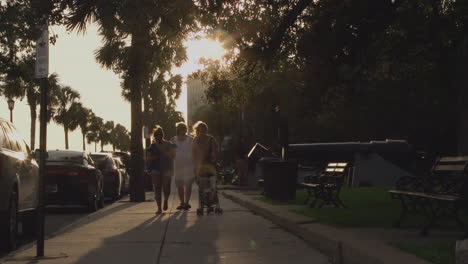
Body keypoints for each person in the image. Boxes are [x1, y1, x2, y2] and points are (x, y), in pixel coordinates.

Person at [146, 125, 177, 214]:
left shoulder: (169, 144)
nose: (157, 138)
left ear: (162, 136)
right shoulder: (152, 146)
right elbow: (148, 158)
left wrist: (165, 152)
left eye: (159, 136)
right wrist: (155, 157)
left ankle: (166, 199)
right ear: (154, 137)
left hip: (167, 168)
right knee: (157, 188)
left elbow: (173, 156)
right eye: (156, 137)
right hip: (155, 169)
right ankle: (159, 208)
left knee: (166, 187)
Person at [192, 121, 218, 200]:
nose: (202, 132)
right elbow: (193, 154)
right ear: (197, 131)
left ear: (206, 130)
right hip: (200, 166)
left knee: (212, 184)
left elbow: (215, 150)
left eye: (204, 130)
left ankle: (211, 198)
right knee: (202, 185)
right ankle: (205, 200)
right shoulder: (195, 140)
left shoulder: (211, 139)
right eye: (200, 130)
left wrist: (213, 156)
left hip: (210, 165)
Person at [171, 122, 195, 210]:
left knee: (188, 185)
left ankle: (187, 202)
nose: (182, 130)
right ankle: (182, 202)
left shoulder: (191, 139)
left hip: (189, 165)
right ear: (178, 130)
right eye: (180, 129)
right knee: (180, 185)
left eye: (184, 129)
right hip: (178, 166)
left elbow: (193, 152)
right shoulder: (173, 139)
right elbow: (172, 152)